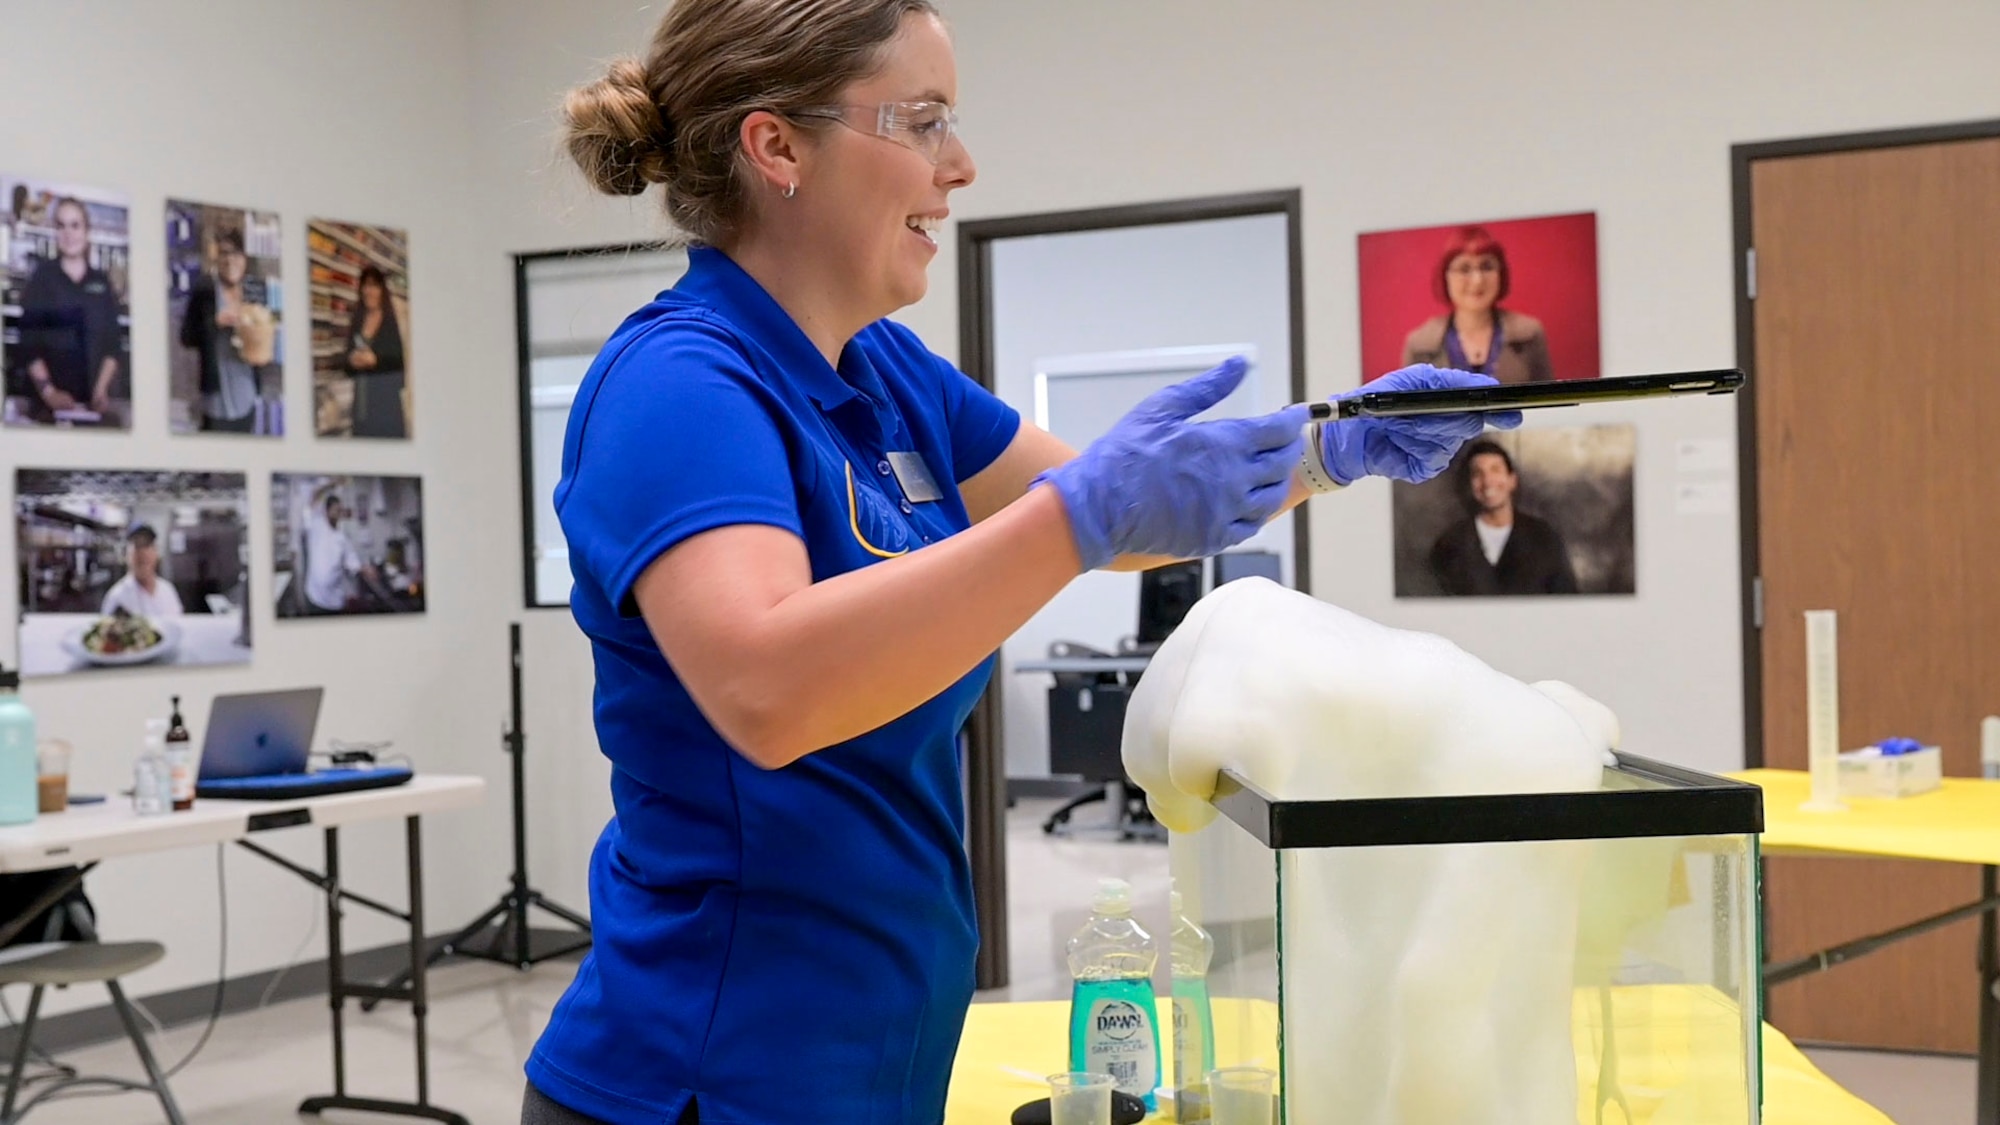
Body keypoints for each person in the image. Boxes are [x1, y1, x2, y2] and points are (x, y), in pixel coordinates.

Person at [522, 3, 1515, 1123]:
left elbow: (1124, 507)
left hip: (872, 1064)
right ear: (777, 146)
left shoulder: (886, 372)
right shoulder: (679, 385)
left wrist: (1329, 452)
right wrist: (1072, 520)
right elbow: (767, 687)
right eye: (925, 121)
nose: (959, 165)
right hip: (704, 1077)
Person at [15, 197, 126, 425]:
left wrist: (101, 391)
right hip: (46, 410)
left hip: (91, 408)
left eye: (75, 225)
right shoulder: (42, 279)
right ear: (55, 232)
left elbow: (112, 344)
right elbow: (28, 343)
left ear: (86, 231)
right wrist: (49, 393)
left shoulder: (101, 282)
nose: (69, 233)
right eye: (61, 225)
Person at [1400, 225, 1553, 385]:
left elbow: (1549, 406)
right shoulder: (1419, 345)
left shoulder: (1530, 334)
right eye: (1464, 269)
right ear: (1445, 277)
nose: (1477, 280)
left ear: (1500, 274)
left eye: (1486, 267)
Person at [1428, 439, 1578, 596]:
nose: (1487, 481)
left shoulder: (1544, 538)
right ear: (1470, 484)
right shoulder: (1449, 545)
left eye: (1495, 470)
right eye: (1478, 474)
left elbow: (1568, 602)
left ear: (1512, 480)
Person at [179, 227, 277, 433]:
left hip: (247, 393)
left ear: (244, 259)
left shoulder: (254, 290)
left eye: (236, 254)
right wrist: (214, 323)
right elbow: (186, 337)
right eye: (224, 253)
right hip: (216, 397)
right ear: (217, 257)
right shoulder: (205, 289)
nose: (230, 260)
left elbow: (268, 332)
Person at [343, 265, 406, 438]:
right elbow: (345, 363)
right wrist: (351, 360)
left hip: (386, 402)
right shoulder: (357, 320)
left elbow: (399, 361)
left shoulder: (391, 322)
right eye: (365, 285)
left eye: (373, 286)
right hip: (362, 404)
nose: (368, 291)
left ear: (381, 290)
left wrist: (376, 360)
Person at [302, 493, 377, 613]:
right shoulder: (316, 527)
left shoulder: (342, 538)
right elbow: (312, 499)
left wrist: (366, 569)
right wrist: (332, 483)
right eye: (336, 509)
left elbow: (352, 562)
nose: (338, 513)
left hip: (334, 601)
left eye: (340, 510)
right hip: (314, 597)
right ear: (327, 511)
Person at [101, 525, 184, 619]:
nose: (143, 553)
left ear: (156, 554)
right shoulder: (117, 597)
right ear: (127, 556)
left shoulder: (168, 590)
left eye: (147, 546)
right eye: (137, 547)